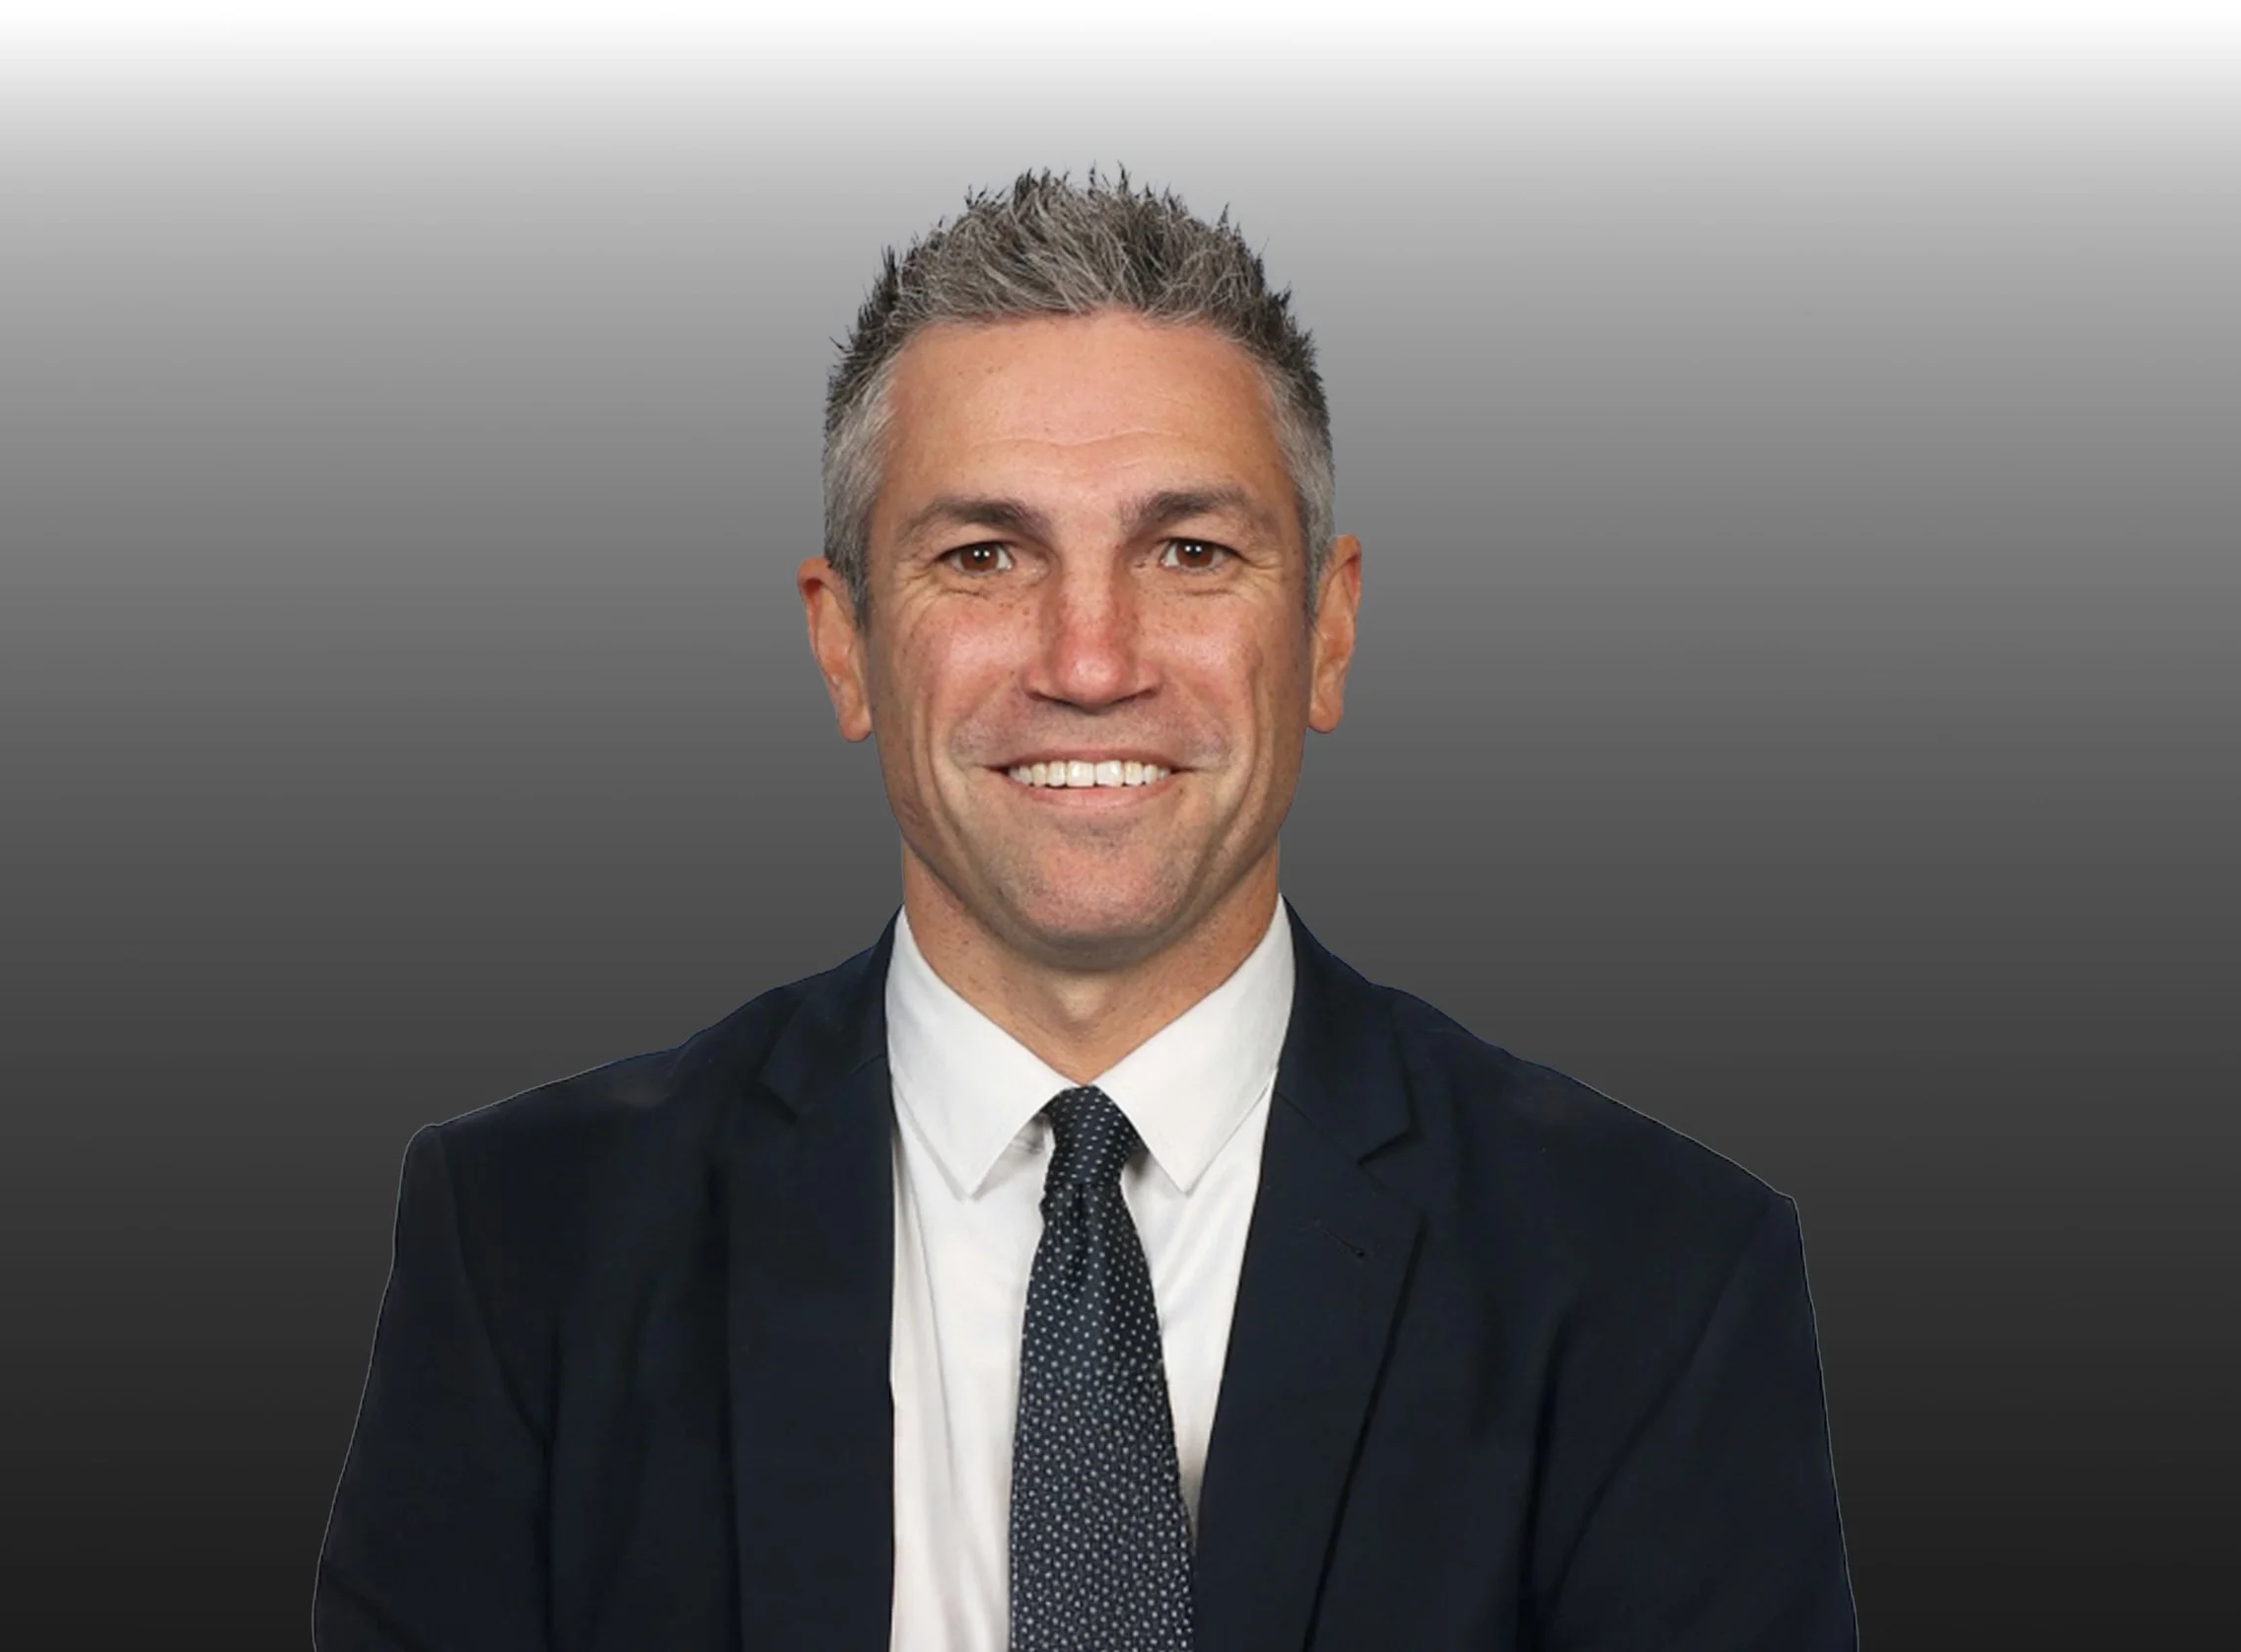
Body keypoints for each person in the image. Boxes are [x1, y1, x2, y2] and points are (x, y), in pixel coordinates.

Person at [314, 170, 1856, 1652]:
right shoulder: (528, 1248)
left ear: (1328, 628)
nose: (1093, 658)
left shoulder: (1660, 1276)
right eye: (984, 556)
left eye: (1191, 553)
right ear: (844, 644)